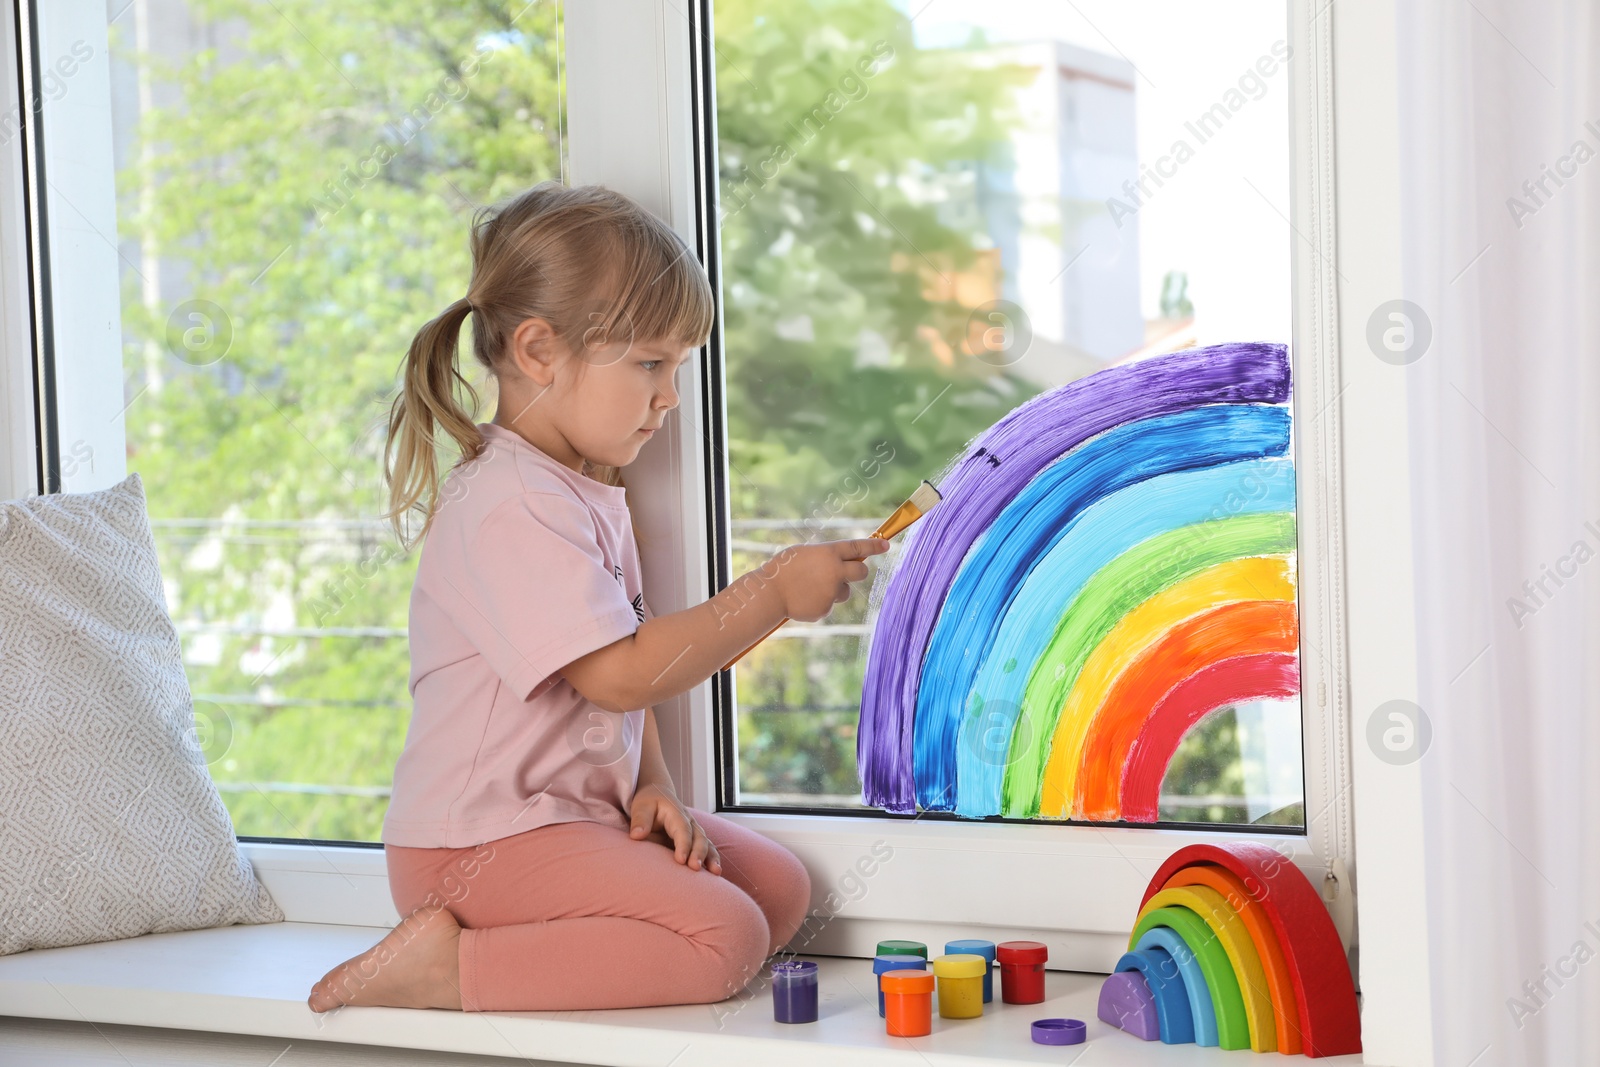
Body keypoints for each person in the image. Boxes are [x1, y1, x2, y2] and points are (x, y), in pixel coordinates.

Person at [306, 182, 887, 1014]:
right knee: (726, 937)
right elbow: (621, 674)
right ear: (541, 352)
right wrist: (770, 593)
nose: (670, 397)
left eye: (678, 367)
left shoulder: (583, 489)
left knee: (780, 891)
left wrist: (651, 784)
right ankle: (449, 968)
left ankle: (511, 950)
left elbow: (621, 655)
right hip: (472, 844)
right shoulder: (510, 503)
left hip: (563, 820)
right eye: (652, 363)